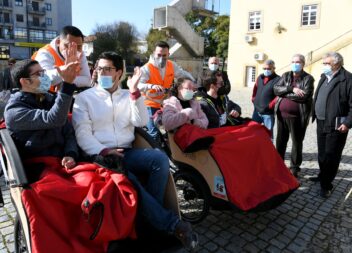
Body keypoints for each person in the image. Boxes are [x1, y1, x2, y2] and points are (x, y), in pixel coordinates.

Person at [72, 51, 198, 251]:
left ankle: (149, 221)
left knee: (160, 158)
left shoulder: (127, 94)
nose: (101, 72)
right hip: (99, 156)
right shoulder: (85, 98)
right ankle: (171, 225)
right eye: (99, 68)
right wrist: (104, 151)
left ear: (119, 72)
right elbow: (83, 133)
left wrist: (134, 94)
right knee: (131, 179)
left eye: (107, 68)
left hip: (127, 151)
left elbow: (140, 122)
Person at [4, 58, 79, 165]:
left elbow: (68, 133)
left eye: (43, 72)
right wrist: (67, 85)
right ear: (25, 81)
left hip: (65, 162)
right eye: (39, 74)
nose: (45, 76)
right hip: (38, 168)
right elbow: (54, 119)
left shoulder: (48, 98)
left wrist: (71, 154)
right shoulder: (14, 112)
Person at [310, 52, 352, 198]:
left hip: (337, 125)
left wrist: (347, 123)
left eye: (327, 63)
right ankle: (323, 175)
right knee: (322, 153)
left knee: (331, 155)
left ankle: (327, 185)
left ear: (337, 64)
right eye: (324, 63)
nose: (324, 66)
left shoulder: (348, 79)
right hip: (321, 121)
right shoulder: (324, 77)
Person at [138, 41, 195, 141]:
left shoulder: (171, 65)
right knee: (154, 133)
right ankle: (155, 154)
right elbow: (138, 85)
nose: (161, 58)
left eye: (164, 55)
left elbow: (182, 74)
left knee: (169, 130)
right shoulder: (146, 68)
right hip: (149, 104)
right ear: (153, 53)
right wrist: (151, 86)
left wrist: (193, 82)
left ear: (168, 54)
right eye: (158, 55)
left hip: (165, 103)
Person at [273, 54, 314, 177]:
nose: (295, 64)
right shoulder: (286, 75)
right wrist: (291, 89)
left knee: (296, 143)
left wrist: (284, 94)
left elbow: (305, 96)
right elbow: (276, 89)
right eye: (293, 61)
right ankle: (278, 164)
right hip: (281, 116)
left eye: (297, 62)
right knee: (280, 141)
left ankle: (294, 167)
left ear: (303, 63)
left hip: (297, 117)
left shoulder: (308, 78)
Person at [32, 25, 91, 90]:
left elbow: (87, 80)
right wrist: (66, 69)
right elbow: (44, 80)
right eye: (68, 45)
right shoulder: (45, 53)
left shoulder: (81, 54)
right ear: (58, 42)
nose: (73, 50)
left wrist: (64, 83)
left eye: (79, 46)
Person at [251, 59, 280, 138]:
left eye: (269, 69)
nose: (266, 70)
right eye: (264, 68)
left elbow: (278, 96)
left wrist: (270, 106)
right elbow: (255, 89)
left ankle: (268, 149)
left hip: (268, 113)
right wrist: (253, 99)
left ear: (273, 68)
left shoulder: (278, 80)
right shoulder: (260, 77)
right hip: (256, 111)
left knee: (268, 134)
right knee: (253, 132)